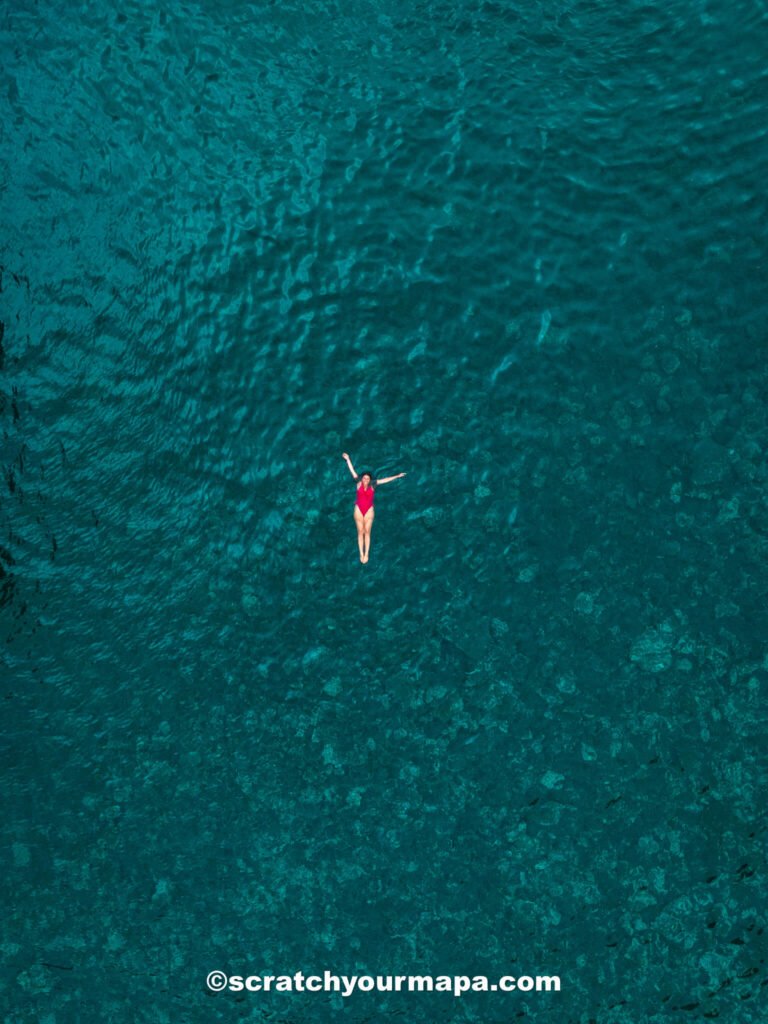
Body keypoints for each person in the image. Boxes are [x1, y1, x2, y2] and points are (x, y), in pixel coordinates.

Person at [342, 453, 406, 563]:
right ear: (362, 479)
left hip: (369, 510)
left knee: (367, 532)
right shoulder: (358, 482)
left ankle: (366, 554)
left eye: (367, 478)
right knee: (360, 532)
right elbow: (352, 471)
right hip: (358, 509)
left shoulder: (373, 484)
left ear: (369, 479)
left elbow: (385, 480)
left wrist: (397, 476)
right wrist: (348, 459)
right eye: (364, 478)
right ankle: (361, 554)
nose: (366, 480)